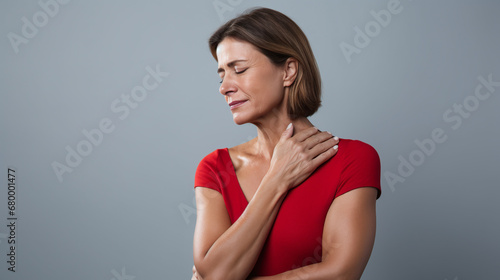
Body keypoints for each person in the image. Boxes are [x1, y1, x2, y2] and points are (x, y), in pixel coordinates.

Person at [192, 7, 381, 280]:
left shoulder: (352, 159)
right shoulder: (215, 168)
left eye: (239, 69)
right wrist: (276, 179)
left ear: (289, 71)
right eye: (222, 75)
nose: (225, 87)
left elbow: (341, 273)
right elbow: (216, 272)